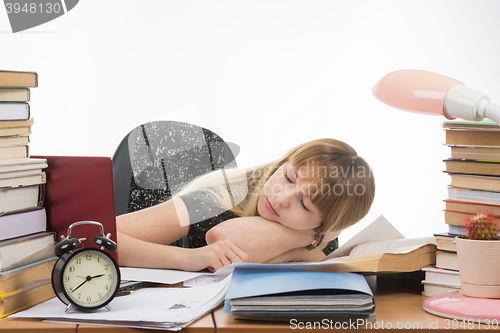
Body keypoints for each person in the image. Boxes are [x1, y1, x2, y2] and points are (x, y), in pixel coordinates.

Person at [117, 138, 375, 272]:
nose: (281, 198)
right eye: (288, 177)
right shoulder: (216, 198)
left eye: (304, 204)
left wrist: (311, 237)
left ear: (325, 226)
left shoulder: (318, 236)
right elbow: (95, 235)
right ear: (281, 163)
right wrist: (188, 258)